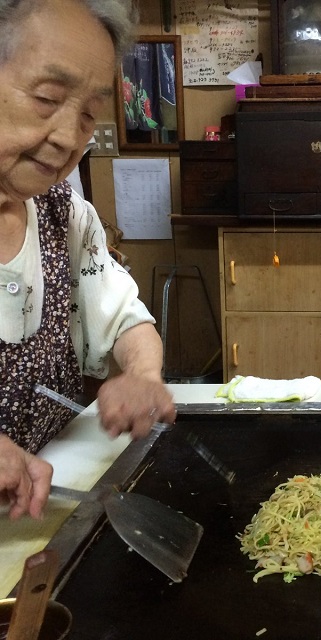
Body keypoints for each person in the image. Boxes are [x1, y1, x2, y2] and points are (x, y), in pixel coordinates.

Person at [0, 0, 176, 521]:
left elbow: (122, 315)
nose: (69, 137)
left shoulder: (62, 214)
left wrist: (143, 373)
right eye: (47, 98)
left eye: (88, 113)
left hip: (37, 525)